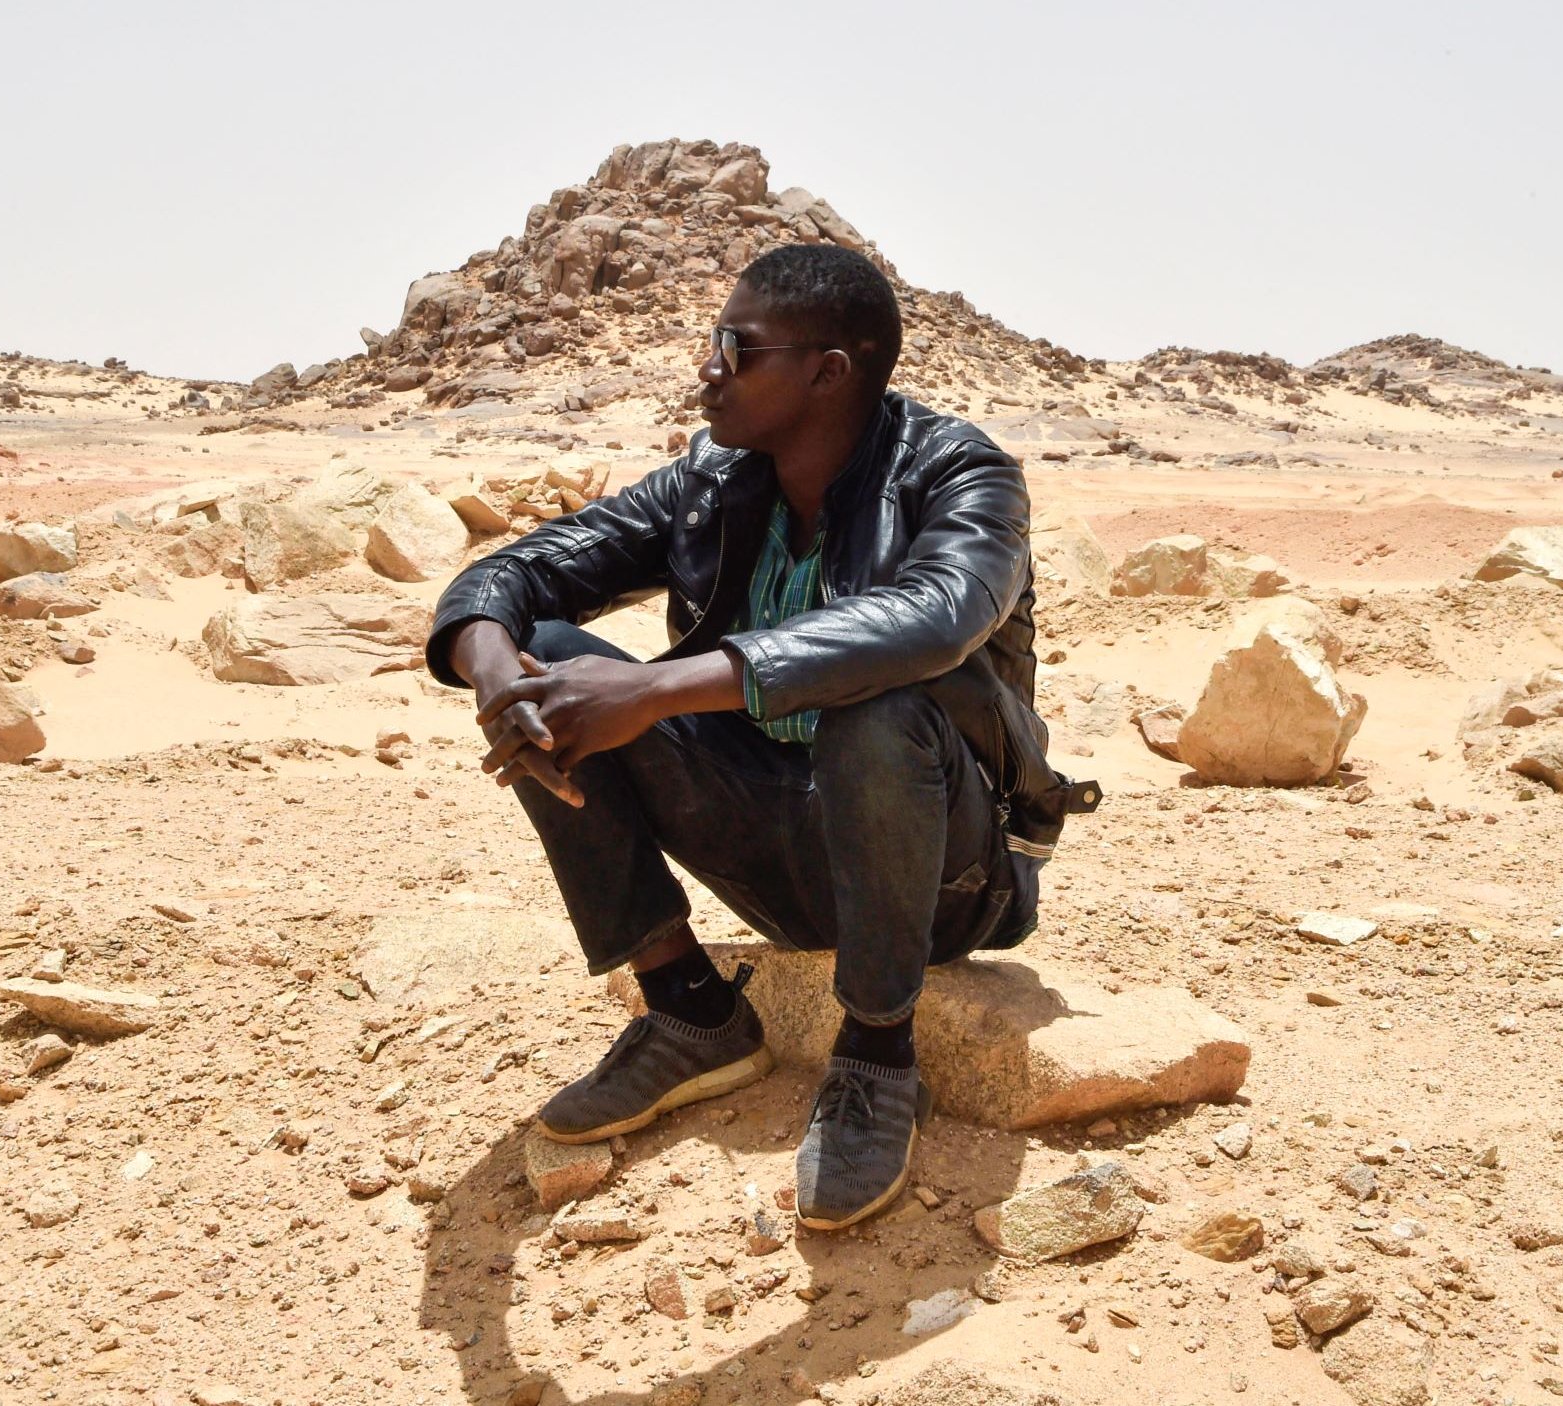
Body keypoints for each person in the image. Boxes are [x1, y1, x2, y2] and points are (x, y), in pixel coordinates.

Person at [427, 245, 1097, 1231]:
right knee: (546, 660)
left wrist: (658, 689)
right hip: (778, 849)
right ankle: (689, 1007)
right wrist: (493, 666)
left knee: (877, 701)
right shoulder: (716, 480)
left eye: (734, 348)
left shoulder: (959, 472)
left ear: (827, 371)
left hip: (944, 876)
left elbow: (938, 614)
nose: (707, 367)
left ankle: (874, 1055)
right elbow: (527, 567)